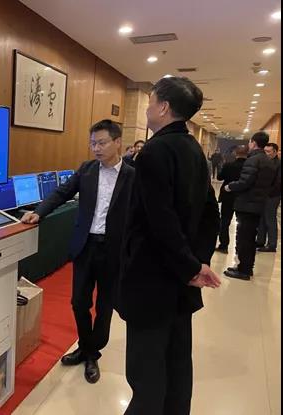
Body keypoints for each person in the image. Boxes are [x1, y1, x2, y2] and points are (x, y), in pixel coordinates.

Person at [117, 76, 221, 415]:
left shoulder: (155, 151)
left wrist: (190, 267)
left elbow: (159, 222)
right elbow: (211, 215)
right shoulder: (194, 150)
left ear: (163, 107)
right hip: (181, 283)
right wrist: (196, 263)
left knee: (146, 372)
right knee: (177, 366)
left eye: (150, 103)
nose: (147, 109)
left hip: (153, 281)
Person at [21, 120, 135, 384]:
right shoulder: (87, 169)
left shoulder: (133, 176)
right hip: (86, 246)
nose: (96, 148)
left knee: (105, 305)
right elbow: (61, 193)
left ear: (118, 142)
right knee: (78, 302)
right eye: (93, 143)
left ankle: (93, 352)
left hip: (114, 250)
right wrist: (39, 212)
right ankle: (86, 347)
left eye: (102, 143)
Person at [223, 131, 278, 280]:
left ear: (253, 143)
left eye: (250, 142)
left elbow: (245, 182)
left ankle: (244, 270)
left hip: (247, 204)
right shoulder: (269, 161)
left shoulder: (253, 160)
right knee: (250, 237)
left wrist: (230, 186)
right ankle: (247, 266)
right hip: (259, 204)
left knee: (244, 237)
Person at [215, 145, 248, 253]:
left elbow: (219, 177)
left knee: (225, 221)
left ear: (235, 153)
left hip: (228, 196)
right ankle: (239, 248)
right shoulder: (249, 167)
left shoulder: (229, 165)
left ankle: (223, 245)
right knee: (242, 224)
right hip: (243, 197)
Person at [256, 142, 281, 252]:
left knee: (270, 219)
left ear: (275, 152)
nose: (266, 153)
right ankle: (260, 241)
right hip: (263, 194)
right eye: (265, 151)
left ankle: (272, 244)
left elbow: (278, 182)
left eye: (268, 151)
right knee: (262, 218)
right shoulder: (265, 162)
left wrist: (268, 192)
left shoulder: (278, 164)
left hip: (273, 195)